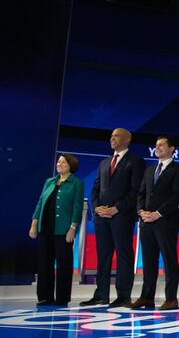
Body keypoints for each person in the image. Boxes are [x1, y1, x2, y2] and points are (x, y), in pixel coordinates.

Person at [82, 128, 145, 307]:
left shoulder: (135, 161)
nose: (112, 138)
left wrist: (117, 208)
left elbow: (135, 191)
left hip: (122, 216)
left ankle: (123, 296)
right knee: (103, 256)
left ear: (128, 139)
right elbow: (95, 189)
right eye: (111, 136)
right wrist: (96, 208)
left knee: (124, 255)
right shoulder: (104, 163)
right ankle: (101, 294)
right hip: (102, 217)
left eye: (116, 136)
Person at [129, 136, 179, 310]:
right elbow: (141, 194)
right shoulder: (150, 170)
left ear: (171, 148)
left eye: (161, 145)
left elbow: (177, 196)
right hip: (146, 222)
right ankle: (147, 297)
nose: (158, 148)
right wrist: (141, 211)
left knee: (169, 260)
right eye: (156, 145)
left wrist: (158, 213)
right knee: (148, 261)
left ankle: (171, 299)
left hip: (166, 222)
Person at [30, 154, 84, 306]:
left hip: (64, 230)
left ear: (71, 165)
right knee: (44, 263)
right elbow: (40, 203)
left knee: (64, 264)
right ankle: (44, 296)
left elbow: (77, 207)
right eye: (58, 161)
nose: (59, 164)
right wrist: (34, 224)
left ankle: (62, 298)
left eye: (63, 162)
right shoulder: (49, 181)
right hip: (45, 228)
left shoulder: (76, 183)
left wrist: (72, 228)